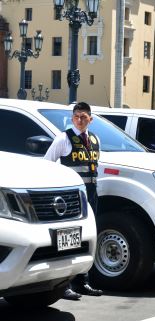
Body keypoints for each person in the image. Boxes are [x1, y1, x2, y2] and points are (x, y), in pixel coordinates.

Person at [44, 102, 103, 300]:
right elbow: (47, 164)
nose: (80, 120)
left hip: (91, 194)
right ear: (72, 118)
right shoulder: (63, 139)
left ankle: (84, 281)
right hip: (71, 198)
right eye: (76, 116)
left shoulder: (95, 139)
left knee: (87, 238)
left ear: (90, 119)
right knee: (69, 239)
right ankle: (65, 285)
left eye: (84, 117)